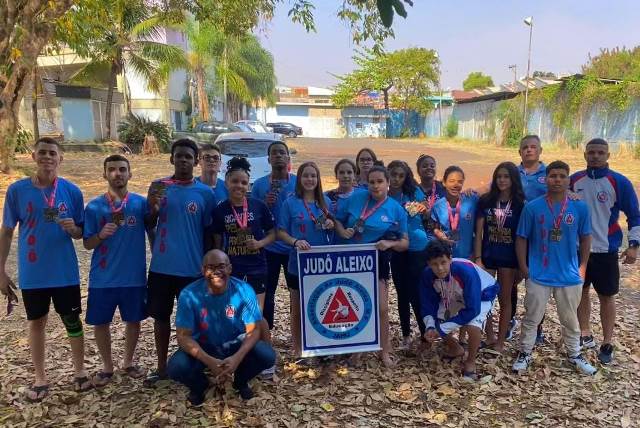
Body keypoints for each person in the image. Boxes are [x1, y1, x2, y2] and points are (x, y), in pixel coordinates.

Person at [0, 137, 90, 401]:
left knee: (72, 321)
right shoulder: (17, 191)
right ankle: (40, 378)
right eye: (42, 153)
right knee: (36, 322)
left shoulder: (72, 191)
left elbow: (81, 232)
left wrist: (74, 229)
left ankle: (80, 371)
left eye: (52, 153)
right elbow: (6, 232)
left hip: (64, 272)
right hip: (33, 273)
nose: (47, 157)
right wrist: (1, 271)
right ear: (33, 157)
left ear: (60, 159)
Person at [512, 160, 597, 375]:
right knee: (532, 316)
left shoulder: (579, 207)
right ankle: (525, 352)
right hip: (539, 273)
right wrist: (524, 266)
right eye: (553, 176)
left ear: (568, 180)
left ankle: (575, 354)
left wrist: (583, 266)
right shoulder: (533, 207)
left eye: (562, 176)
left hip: (569, 274)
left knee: (570, 318)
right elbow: (521, 238)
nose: (557, 180)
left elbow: (586, 238)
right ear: (546, 179)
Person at [144, 139, 217, 386]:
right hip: (162, 268)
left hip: (192, 269)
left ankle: (196, 365)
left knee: (194, 321)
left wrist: (208, 265)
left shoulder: (206, 193)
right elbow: (148, 222)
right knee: (161, 318)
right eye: (179, 156)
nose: (183, 160)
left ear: (196, 161)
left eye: (188, 156)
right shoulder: (158, 187)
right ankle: (162, 367)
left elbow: (209, 232)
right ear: (171, 159)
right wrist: (153, 212)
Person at [167, 250, 276, 405]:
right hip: (204, 346)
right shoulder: (189, 294)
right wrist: (210, 362)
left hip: (235, 344)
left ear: (230, 268)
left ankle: (240, 381)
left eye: (221, 266)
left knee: (267, 355)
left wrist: (236, 359)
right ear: (203, 270)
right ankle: (200, 385)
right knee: (176, 367)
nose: (216, 271)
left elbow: (254, 330)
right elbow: (183, 336)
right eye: (210, 267)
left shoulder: (244, 290)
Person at [571, 138, 640, 364]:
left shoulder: (619, 182)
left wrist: (633, 245)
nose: (596, 156)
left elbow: (634, 215)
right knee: (580, 292)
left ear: (608, 155)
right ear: (585, 155)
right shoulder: (573, 180)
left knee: (607, 296)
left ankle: (607, 342)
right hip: (579, 250)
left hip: (606, 249)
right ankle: (584, 333)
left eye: (601, 152)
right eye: (591, 152)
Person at [83, 155, 149, 385]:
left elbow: (153, 231)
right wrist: (100, 235)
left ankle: (128, 362)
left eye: (122, 169)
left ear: (130, 174)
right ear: (105, 174)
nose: (117, 174)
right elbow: (87, 243)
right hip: (103, 278)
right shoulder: (94, 207)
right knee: (101, 323)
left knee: (133, 321)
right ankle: (107, 366)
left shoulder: (141, 204)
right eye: (112, 170)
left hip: (134, 277)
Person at [334, 164, 409, 367]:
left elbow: (404, 243)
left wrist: (390, 243)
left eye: (380, 182)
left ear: (388, 183)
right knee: (354, 304)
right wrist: (342, 231)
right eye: (372, 182)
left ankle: (384, 351)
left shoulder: (396, 209)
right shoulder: (355, 198)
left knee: (382, 308)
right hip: (350, 259)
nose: (375, 186)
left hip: (376, 260)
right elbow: (337, 221)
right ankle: (357, 349)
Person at [211, 157, 276, 375]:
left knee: (256, 313)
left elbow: (273, 233)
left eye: (243, 182)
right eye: (234, 181)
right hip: (233, 269)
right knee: (235, 313)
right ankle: (240, 355)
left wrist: (260, 243)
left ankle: (269, 357)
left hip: (257, 267)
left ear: (248, 185)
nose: (239, 186)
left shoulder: (258, 206)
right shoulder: (220, 210)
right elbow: (217, 240)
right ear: (226, 183)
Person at [419, 240, 499, 380]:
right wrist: (431, 327)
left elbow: (472, 309)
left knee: (472, 326)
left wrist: (443, 328)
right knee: (436, 322)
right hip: (453, 293)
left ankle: (471, 362)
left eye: (443, 262)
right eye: (434, 264)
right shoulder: (427, 275)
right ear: (428, 264)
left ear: (450, 259)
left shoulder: (465, 272)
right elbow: (427, 304)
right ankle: (456, 348)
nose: (440, 268)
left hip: (481, 293)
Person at [277, 162, 335, 356]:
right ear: (299, 179)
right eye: (305, 176)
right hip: (299, 263)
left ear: (318, 180)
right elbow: (281, 232)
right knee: (298, 307)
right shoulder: (290, 202)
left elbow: (334, 227)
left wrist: (329, 223)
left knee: (322, 304)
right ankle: (298, 347)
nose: (310, 179)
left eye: (313, 176)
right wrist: (295, 242)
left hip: (322, 264)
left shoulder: (325, 201)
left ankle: (322, 345)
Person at [472, 162, 526, 352]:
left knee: (505, 300)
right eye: (499, 176)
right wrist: (478, 257)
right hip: (487, 256)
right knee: (483, 298)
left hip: (509, 259)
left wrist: (522, 265)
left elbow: (523, 236)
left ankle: (501, 342)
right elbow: (478, 232)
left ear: (513, 180)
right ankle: (489, 335)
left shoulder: (521, 204)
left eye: (506, 177)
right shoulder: (486, 200)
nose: (502, 180)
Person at [251, 141, 297, 330]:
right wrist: (264, 203)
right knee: (267, 293)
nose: (278, 156)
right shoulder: (260, 185)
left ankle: (298, 332)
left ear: (288, 158)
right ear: (268, 159)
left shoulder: (297, 182)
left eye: (282, 152)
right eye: (274, 153)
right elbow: (252, 216)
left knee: (296, 293)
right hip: (269, 247)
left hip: (293, 247)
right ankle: (266, 334)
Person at [387, 160, 428, 349]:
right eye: (393, 174)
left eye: (400, 175)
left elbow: (425, 208)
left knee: (416, 292)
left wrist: (423, 208)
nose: (396, 179)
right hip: (396, 247)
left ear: (406, 177)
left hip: (416, 247)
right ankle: (405, 334)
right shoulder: (385, 195)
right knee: (401, 292)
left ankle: (425, 333)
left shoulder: (413, 192)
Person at [431, 166, 478, 259]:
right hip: (447, 258)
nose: (456, 185)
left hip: (469, 257)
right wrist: (440, 236)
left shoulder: (472, 200)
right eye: (452, 181)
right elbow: (434, 228)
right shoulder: (438, 206)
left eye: (460, 181)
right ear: (444, 182)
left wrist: (478, 257)